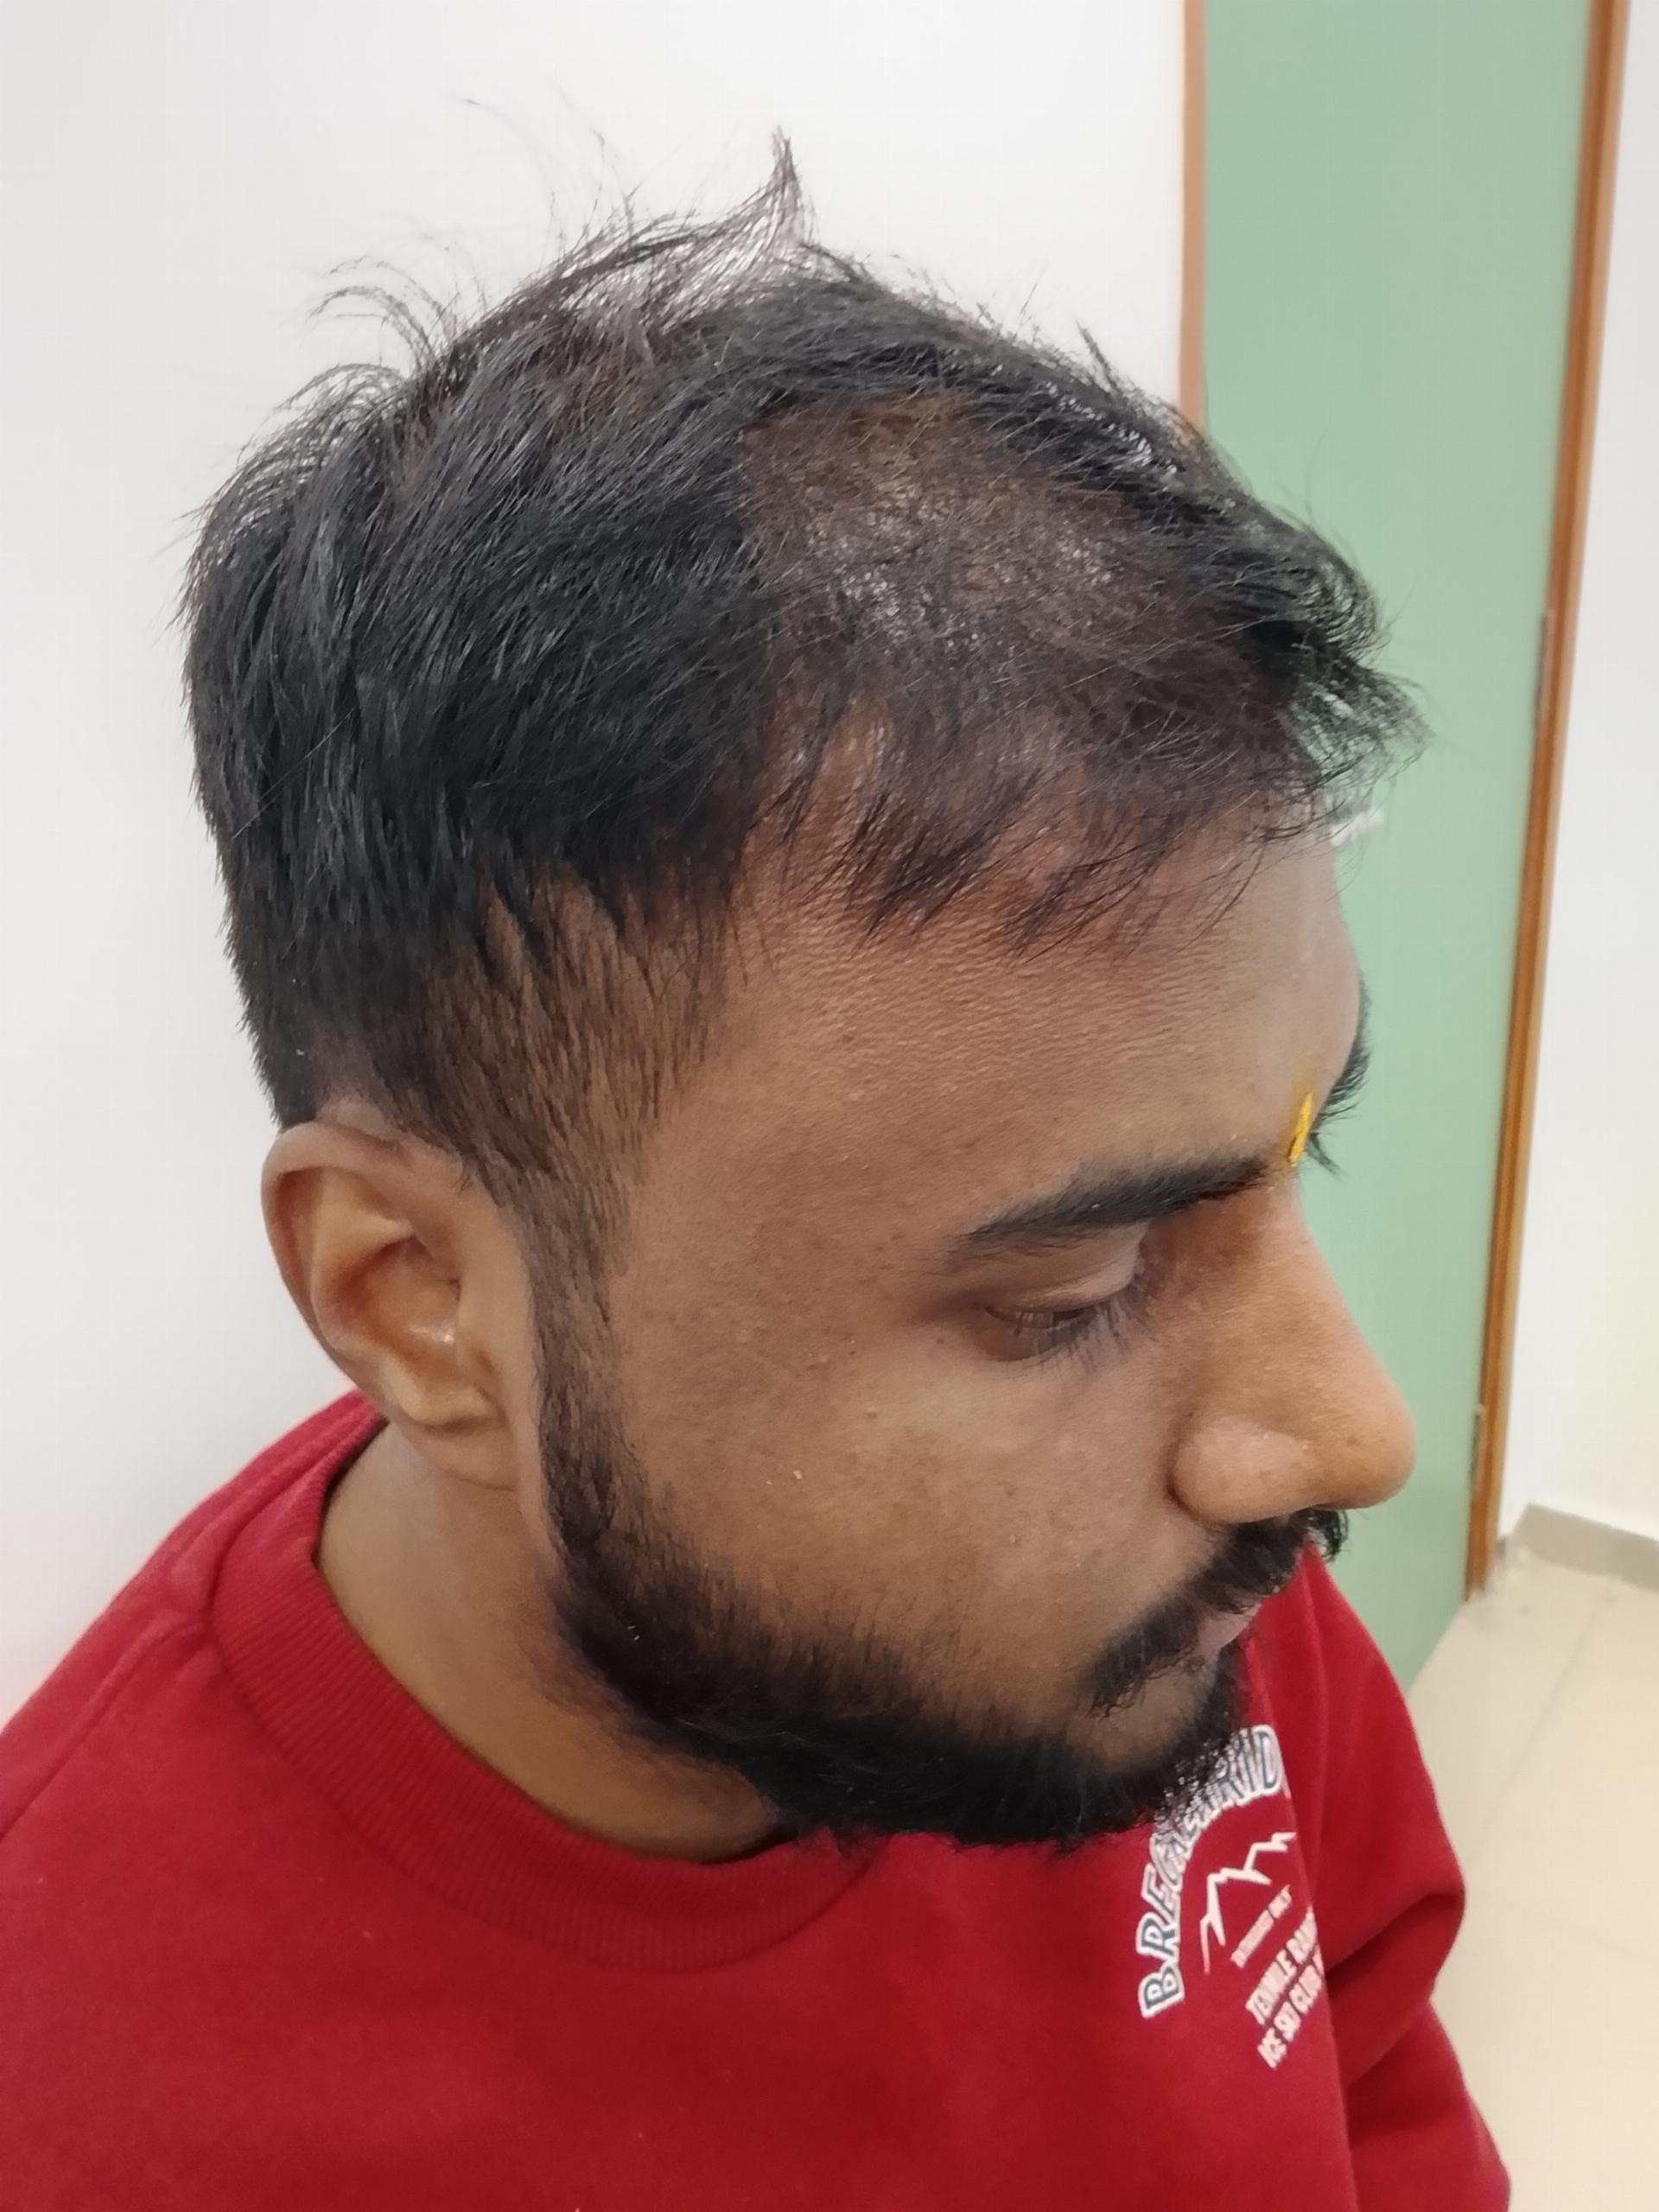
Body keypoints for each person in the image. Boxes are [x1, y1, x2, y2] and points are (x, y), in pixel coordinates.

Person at [0, 169, 1506, 2209]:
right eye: (1067, 1291)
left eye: (1295, 1147)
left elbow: (1373, 2051)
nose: (1345, 1431)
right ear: (413, 1290)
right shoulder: (79, 2095)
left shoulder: (1171, 1585)